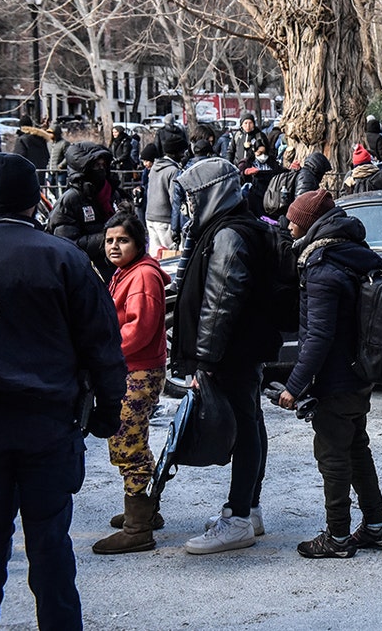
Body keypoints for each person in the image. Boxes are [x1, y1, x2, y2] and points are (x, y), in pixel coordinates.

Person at [0, 152, 126, 628]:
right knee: (50, 545)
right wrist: (109, 410)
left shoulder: (63, 256)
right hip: (48, 423)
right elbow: (102, 344)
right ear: (35, 201)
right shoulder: (64, 258)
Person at [169, 157, 285, 555]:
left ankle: (237, 518)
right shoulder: (235, 227)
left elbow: (220, 303)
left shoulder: (229, 235)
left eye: (192, 198)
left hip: (232, 351)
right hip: (241, 348)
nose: (188, 207)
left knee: (244, 426)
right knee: (250, 421)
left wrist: (206, 360)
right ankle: (247, 509)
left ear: (211, 195)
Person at [279, 189, 382, 558]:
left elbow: (319, 336)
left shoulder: (322, 268)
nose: (288, 226)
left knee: (332, 455)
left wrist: (294, 386)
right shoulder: (353, 253)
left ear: (310, 223)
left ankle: (338, 537)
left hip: (335, 378)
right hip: (359, 372)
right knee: (357, 448)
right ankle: (376, 526)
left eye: (294, 220)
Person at [92, 211, 170, 555]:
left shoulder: (143, 276)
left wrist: (103, 353)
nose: (114, 246)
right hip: (130, 368)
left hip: (137, 371)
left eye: (122, 240)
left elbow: (138, 330)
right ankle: (145, 510)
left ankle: (138, 529)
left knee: (127, 443)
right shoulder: (126, 272)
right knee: (133, 438)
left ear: (138, 243)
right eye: (109, 240)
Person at [46, 142, 126, 282]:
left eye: (103, 164)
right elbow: (66, 244)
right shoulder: (70, 200)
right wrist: (109, 238)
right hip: (86, 274)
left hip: (115, 268)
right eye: (96, 165)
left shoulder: (112, 193)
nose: (101, 169)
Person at [146, 123, 188, 257]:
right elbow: (174, 200)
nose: (183, 155)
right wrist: (177, 226)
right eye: (182, 152)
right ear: (175, 153)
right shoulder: (173, 171)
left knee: (155, 256)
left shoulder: (155, 167)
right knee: (170, 256)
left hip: (150, 216)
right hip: (165, 219)